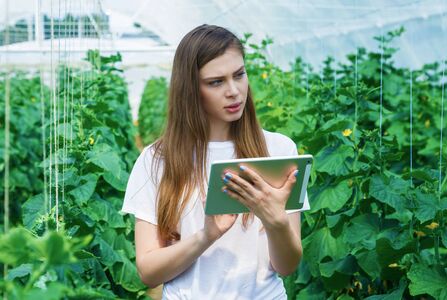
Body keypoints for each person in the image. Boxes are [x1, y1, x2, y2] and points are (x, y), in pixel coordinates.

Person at [121, 24, 310, 299]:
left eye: (239, 75)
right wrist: (206, 235)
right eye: (216, 82)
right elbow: (148, 272)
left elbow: (287, 266)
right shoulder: (156, 160)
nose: (234, 91)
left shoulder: (279, 149)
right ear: (191, 89)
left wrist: (276, 221)